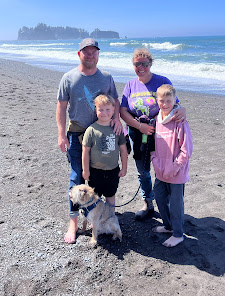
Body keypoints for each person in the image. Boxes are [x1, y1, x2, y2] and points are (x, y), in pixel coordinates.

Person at [56, 38, 123, 244]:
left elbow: (115, 101)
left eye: (94, 52)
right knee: (78, 177)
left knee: (100, 177)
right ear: (79, 54)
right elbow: (61, 107)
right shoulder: (69, 78)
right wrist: (61, 134)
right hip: (77, 134)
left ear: (98, 55)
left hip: (101, 135)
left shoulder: (106, 77)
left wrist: (117, 119)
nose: (90, 55)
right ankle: (73, 222)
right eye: (86, 52)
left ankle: (101, 217)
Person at [120, 48, 186, 220]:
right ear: (133, 65)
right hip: (137, 133)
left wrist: (182, 109)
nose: (141, 67)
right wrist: (138, 126)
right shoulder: (130, 85)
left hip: (162, 134)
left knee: (162, 168)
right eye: (137, 64)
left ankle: (168, 204)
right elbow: (123, 111)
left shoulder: (162, 81)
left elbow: (175, 104)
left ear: (150, 64)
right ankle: (148, 203)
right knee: (143, 170)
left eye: (144, 63)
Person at [151, 84, 193, 247]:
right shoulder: (156, 120)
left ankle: (178, 234)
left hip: (177, 172)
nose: (165, 104)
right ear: (157, 101)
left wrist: (175, 167)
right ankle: (168, 226)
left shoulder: (180, 121)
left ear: (175, 100)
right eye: (162, 101)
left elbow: (186, 150)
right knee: (159, 197)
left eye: (169, 101)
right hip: (160, 170)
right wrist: (155, 161)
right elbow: (153, 146)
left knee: (176, 204)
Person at [82, 94, 128, 207]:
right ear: (95, 110)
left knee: (110, 196)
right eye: (101, 110)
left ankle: (110, 218)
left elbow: (123, 150)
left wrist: (124, 168)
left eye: (108, 109)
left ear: (113, 110)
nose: (104, 113)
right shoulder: (91, 130)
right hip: (95, 171)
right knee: (94, 197)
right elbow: (85, 151)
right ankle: (95, 221)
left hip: (113, 171)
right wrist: (85, 170)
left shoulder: (117, 129)